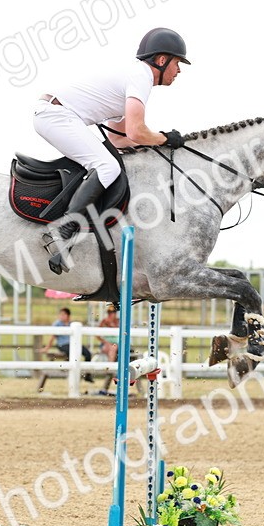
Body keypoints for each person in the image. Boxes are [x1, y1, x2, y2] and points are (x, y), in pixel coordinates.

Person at [34, 27, 191, 275]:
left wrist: (156, 145)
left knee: (109, 162)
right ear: (161, 60)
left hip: (56, 114)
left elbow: (119, 139)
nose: (179, 70)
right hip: (56, 115)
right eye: (177, 63)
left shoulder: (133, 77)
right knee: (107, 166)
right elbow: (137, 132)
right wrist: (165, 138)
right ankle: (64, 231)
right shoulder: (141, 77)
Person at [37, 306, 94, 386]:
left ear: (68, 316)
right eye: (60, 315)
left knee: (87, 354)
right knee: (71, 352)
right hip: (62, 344)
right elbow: (52, 336)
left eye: (63, 314)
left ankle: (87, 375)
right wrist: (47, 347)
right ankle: (67, 367)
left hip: (74, 344)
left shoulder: (72, 324)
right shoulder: (57, 324)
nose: (61, 316)